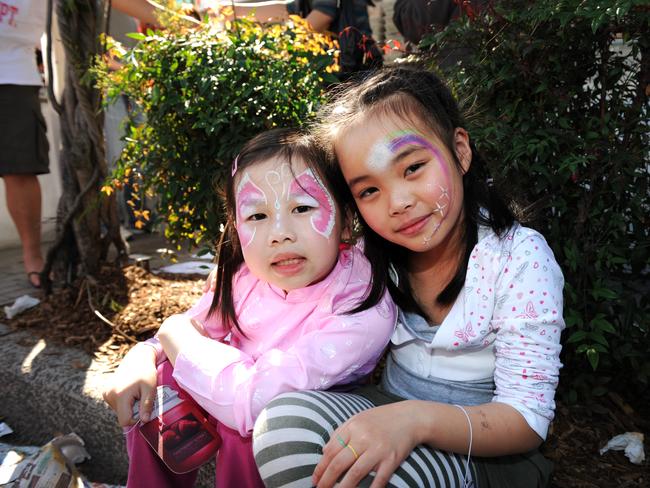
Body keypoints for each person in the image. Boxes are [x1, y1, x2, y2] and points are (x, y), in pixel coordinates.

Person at [252, 66, 565, 487]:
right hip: (388, 409)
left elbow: (526, 419)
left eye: (413, 167)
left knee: (387, 480)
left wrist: (415, 420)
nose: (396, 202)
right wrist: (163, 347)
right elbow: (261, 287)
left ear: (460, 151)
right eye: (368, 191)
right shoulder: (367, 259)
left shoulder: (519, 258)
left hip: (485, 450)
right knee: (283, 424)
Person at [102, 128, 396, 487]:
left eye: (302, 208)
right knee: (157, 390)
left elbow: (252, 402)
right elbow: (193, 327)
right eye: (257, 216)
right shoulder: (245, 278)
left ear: (346, 220)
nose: (279, 233)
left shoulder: (360, 303)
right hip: (235, 394)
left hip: (302, 426)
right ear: (237, 228)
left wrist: (175, 337)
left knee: (252, 433)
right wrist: (142, 358)